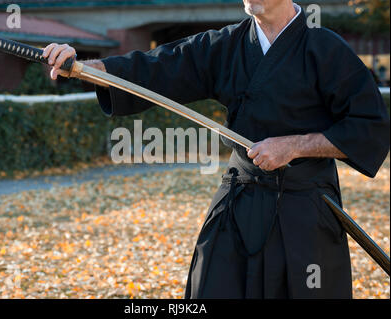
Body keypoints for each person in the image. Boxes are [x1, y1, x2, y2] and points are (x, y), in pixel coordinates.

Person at [43, 0, 390, 298]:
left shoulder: (326, 50)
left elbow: (369, 127)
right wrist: (86, 69)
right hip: (240, 200)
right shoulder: (226, 45)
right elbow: (158, 66)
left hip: (306, 210)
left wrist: (294, 146)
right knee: (211, 285)